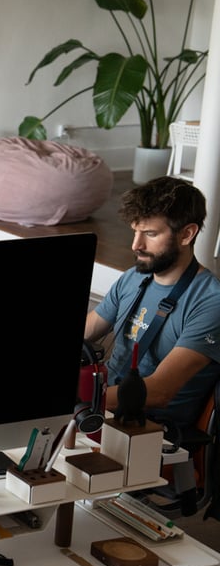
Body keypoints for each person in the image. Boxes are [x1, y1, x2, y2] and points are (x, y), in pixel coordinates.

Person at [85, 176, 220, 434]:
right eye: (135, 231)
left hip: (151, 432)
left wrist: (80, 401)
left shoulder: (211, 302)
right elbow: (87, 332)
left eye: (150, 234)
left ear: (187, 234)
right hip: (102, 412)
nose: (136, 245)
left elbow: (160, 391)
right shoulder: (134, 277)